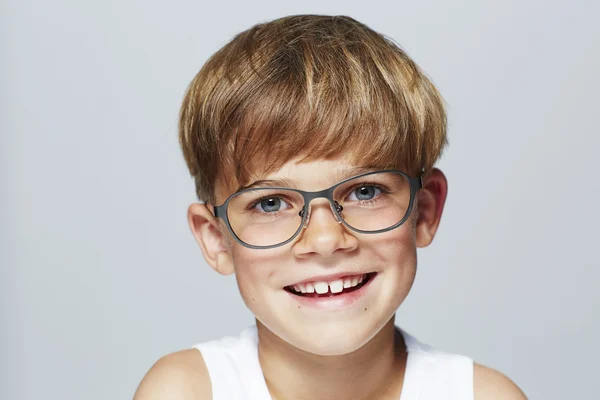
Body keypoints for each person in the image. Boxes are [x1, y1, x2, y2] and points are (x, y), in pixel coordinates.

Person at [134, 14, 527, 400]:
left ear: (424, 212)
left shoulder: (482, 395)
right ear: (216, 239)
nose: (324, 240)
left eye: (365, 192)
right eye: (270, 203)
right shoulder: (185, 392)